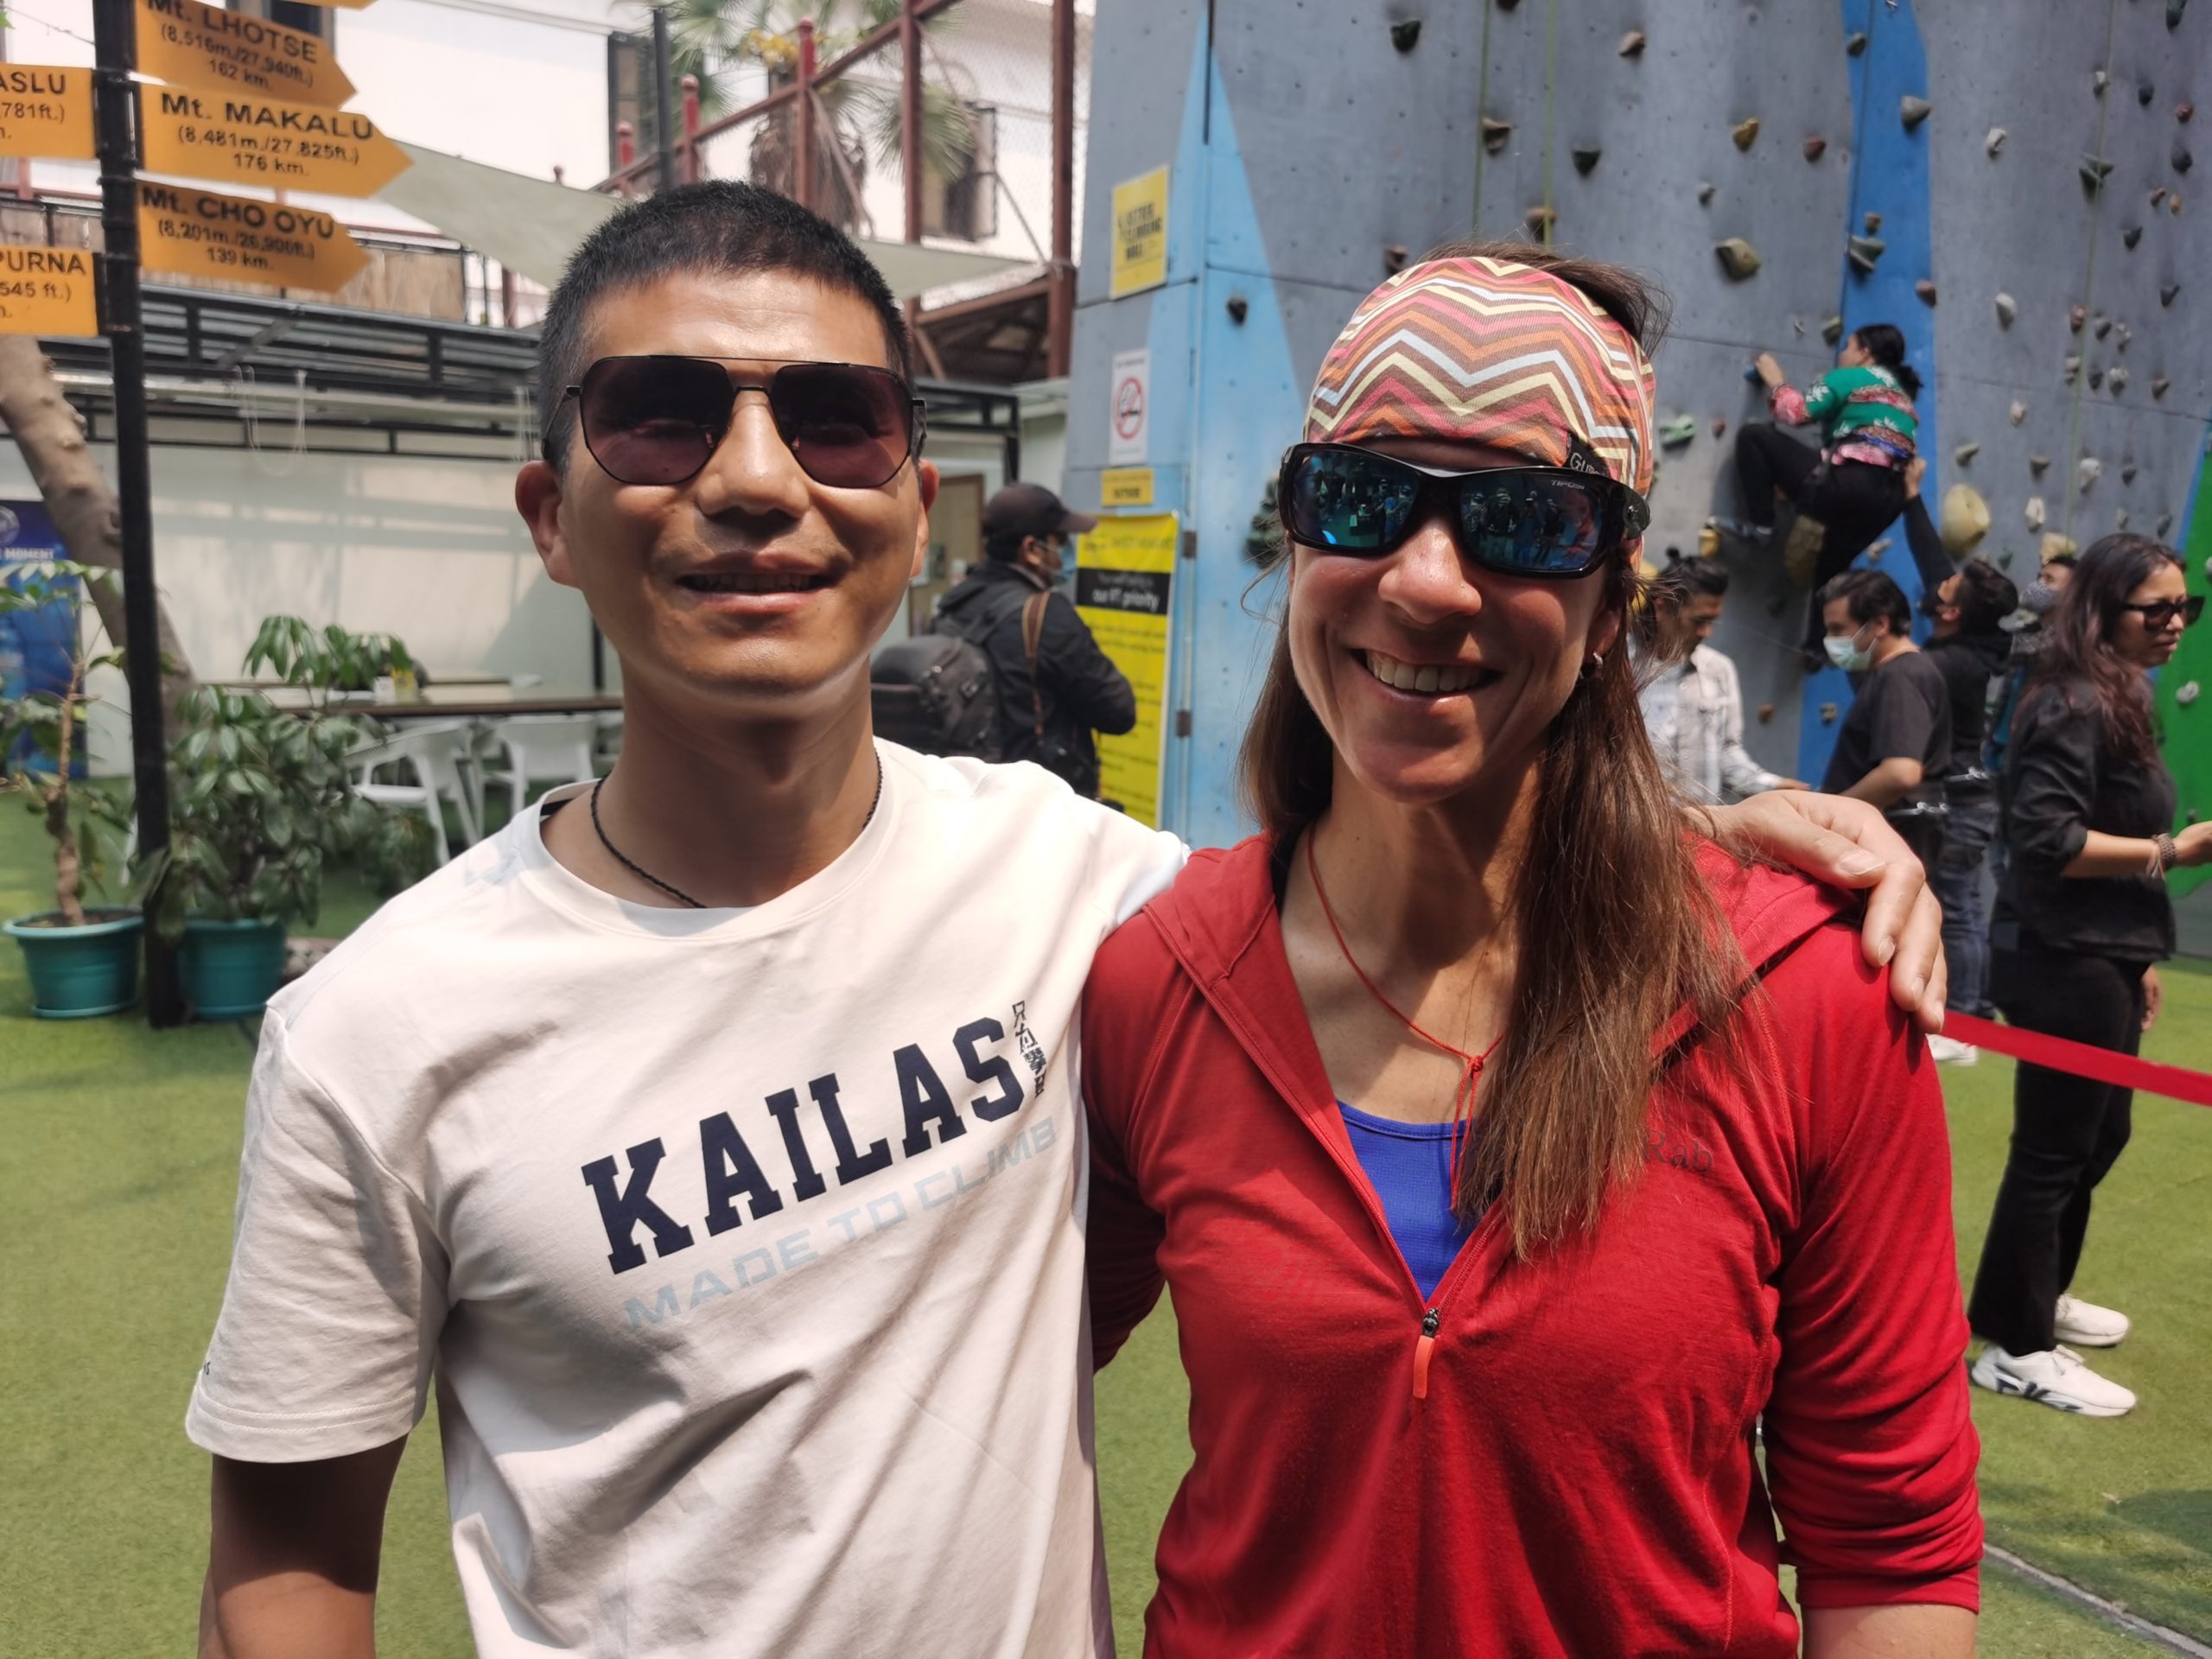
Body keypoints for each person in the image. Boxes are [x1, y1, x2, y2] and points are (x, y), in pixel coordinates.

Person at [183, 186, 1947, 1659]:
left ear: (910, 505)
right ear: (548, 514)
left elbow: (1888, 1538)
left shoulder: (1082, 896)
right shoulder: (384, 1029)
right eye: (659, 415)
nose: (754, 478)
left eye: (832, 419)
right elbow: (285, 1566)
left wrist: (1709, 845)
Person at [1084, 246, 1979, 1658]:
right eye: (1362, 498)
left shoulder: (1807, 992)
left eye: (1525, 521)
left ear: (1612, 602)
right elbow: (974, 1378)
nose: (1428, 582)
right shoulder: (1157, 979)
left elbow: (1892, 1547)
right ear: (1301, 541)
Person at [1968, 534, 2211, 1419]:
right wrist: (2172, 851)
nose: (2176, 622)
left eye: (2187, 606)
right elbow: (2047, 838)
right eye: (2158, 609)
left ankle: (2033, 1295)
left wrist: (2136, 958)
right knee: (2053, 1150)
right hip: (2059, 955)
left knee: (2099, 1137)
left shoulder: (2117, 695)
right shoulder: (2070, 702)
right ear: (2104, 612)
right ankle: (2016, 1347)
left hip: (2102, 952)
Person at [934, 482, 1136, 798]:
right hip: (1036, 802)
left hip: (965, 792)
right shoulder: (1044, 614)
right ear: (1031, 549)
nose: (1066, 554)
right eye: (1061, 542)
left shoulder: (954, 605)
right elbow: (1119, 712)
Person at [1730, 325, 1920, 655]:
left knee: (1754, 438)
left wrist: (1776, 380)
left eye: (1848, 346)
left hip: (1848, 485)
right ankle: (1819, 647)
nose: (1842, 353)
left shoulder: (1853, 377)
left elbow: (1797, 413)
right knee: (1831, 565)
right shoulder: (1903, 400)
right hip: (1888, 502)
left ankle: (1762, 526)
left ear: (1865, 353)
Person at [1917, 550, 2018, 1064]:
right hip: (1972, 796)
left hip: (1960, 799)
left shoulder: (1945, 662)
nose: (1938, 584)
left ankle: (1959, 1024)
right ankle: (1973, 1013)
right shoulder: (1963, 655)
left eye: (1948, 586)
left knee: (1956, 908)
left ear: (1952, 612)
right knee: (1966, 906)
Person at [1637, 556, 1807, 801]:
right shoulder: (1617, 669)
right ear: (1661, 607)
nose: (1706, 632)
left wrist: (1774, 787)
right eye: (1699, 621)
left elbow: (1727, 755)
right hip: (1635, 823)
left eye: (1712, 621)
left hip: (1701, 821)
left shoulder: (1718, 670)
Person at [1819, 568, 1951, 869]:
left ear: (1880, 623)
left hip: (1894, 837)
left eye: (1838, 629)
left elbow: (1900, 772)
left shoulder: (1902, 676)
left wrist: (1832, 812)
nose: (1831, 640)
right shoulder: (1889, 674)